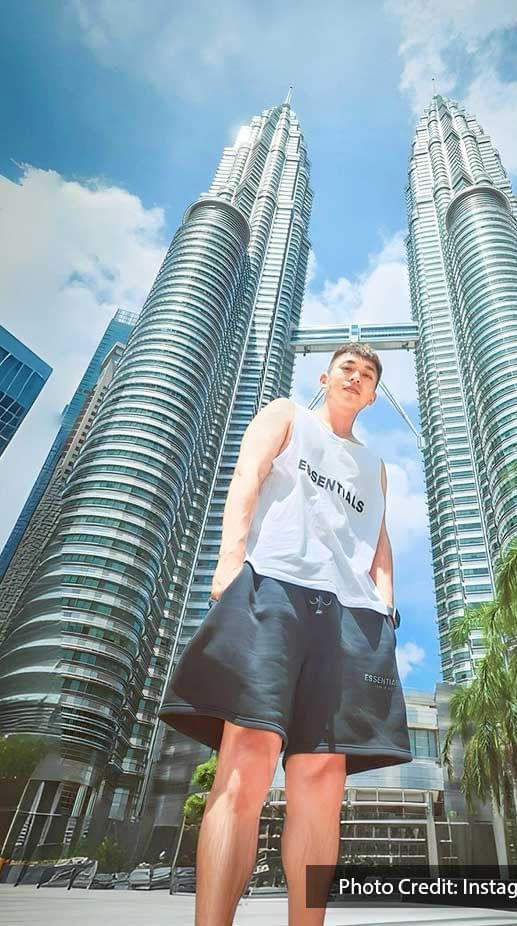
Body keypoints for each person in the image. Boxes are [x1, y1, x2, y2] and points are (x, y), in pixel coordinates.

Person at [159, 342, 411, 926]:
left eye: (368, 374)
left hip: (351, 613)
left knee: (322, 777)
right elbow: (246, 474)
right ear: (325, 377)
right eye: (348, 368)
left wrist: (386, 607)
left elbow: (378, 540)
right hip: (274, 585)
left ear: (373, 395)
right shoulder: (286, 415)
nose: (356, 377)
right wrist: (230, 561)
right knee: (246, 755)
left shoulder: (375, 467)